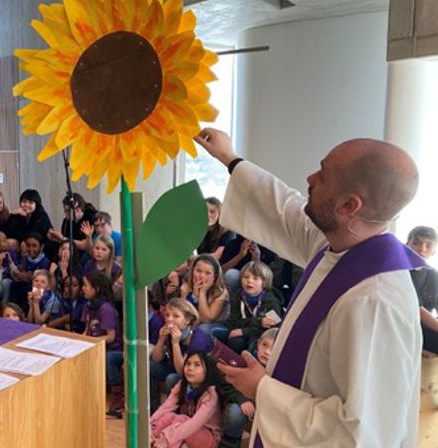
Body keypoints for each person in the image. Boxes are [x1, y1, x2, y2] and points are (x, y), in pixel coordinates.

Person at [196, 128, 423, 447]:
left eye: (322, 174)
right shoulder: (339, 247)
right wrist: (229, 158)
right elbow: (287, 210)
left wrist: (262, 389)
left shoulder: (375, 301)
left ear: (348, 205)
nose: (310, 178)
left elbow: (362, 435)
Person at [150, 351, 223, 448]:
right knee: (169, 416)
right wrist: (150, 423)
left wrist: (167, 439)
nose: (190, 368)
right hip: (186, 428)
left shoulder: (210, 395)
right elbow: (166, 407)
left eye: (197, 365)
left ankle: (164, 445)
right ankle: (151, 440)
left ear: (207, 371)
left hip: (208, 438)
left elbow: (194, 423)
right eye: (188, 364)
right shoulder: (182, 385)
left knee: (181, 419)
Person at [81, 271, 123, 417]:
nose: (83, 288)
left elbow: (111, 337)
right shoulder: (88, 306)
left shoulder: (106, 309)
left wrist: (92, 343)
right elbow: (86, 331)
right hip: (94, 345)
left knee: (108, 358)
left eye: (86, 285)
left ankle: (118, 396)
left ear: (96, 289)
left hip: (112, 350)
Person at [224, 262, 283, 354]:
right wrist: (258, 322)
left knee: (251, 345)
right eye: (246, 277)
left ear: (264, 282)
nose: (249, 281)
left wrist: (244, 331)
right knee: (232, 339)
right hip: (243, 330)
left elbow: (271, 332)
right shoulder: (237, 296)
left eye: (255, 278)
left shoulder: (272, 303)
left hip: (259, 336)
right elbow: (233, 323)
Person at [178, 254, 228, 339]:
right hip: (195, 321)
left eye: (208, 273)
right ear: (192, 270)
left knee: (202, 329)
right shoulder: (186, 287)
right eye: (198, 271)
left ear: (214, 276)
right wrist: (194, 296)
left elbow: (206, 319)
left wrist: (202, 293)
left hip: (217, 325)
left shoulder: (221, 292)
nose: (202, 276)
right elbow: (183, 313)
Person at [406, 226, 438, 354]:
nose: (422, 249)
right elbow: (416, 309)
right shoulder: (400, 273)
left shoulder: (432, 274)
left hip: (426, 326)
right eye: (416, 243)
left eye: (428, 245)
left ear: (434, 251)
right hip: (408, 325)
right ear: (407, 245)